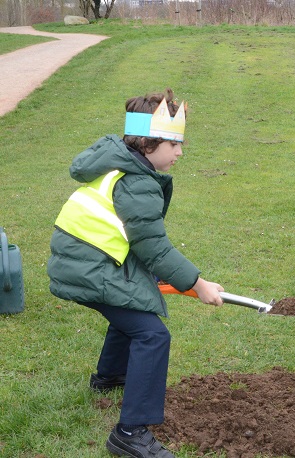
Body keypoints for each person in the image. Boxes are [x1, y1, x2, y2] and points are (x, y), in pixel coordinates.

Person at [47, 89, 224, 458]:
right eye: (173, 144)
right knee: (152, 334)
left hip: (85, 258)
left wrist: (160, 278)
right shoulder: (137, 181)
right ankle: (130, 432)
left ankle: (109, 377)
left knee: (134, 307)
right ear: (148, 143)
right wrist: (197, 284)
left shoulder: (121, 160)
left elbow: (134, 237)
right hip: (88, 267)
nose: (179, 153)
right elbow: (153, 246)